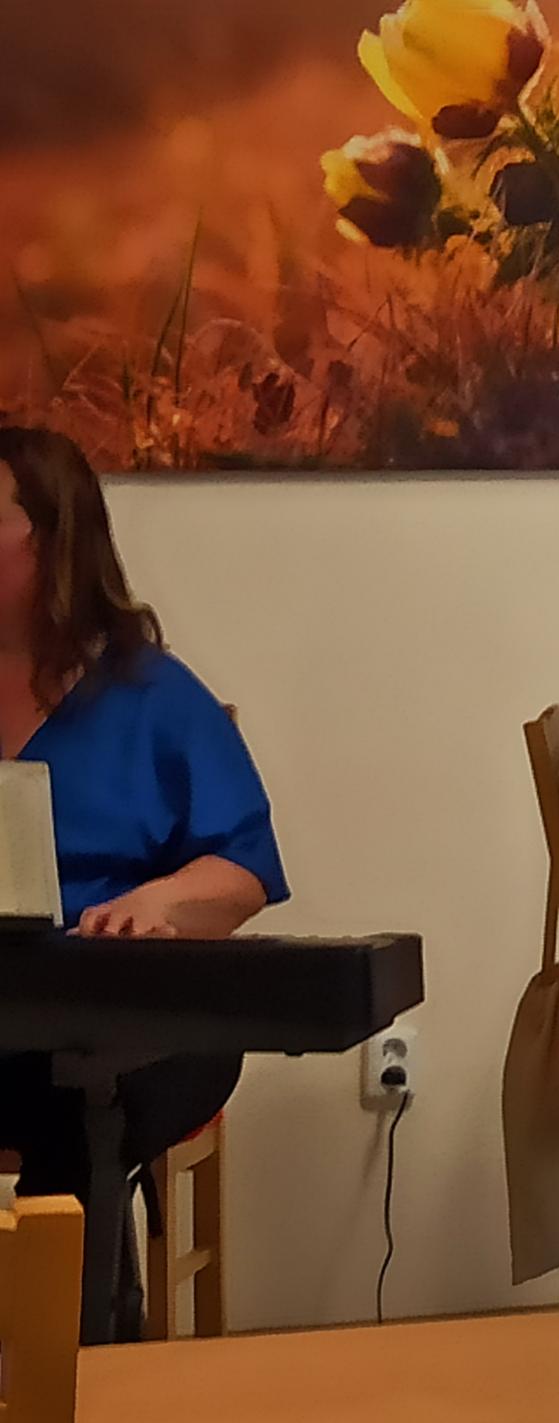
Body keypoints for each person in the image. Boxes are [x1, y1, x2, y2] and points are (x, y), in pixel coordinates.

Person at [0, 425, 289, 1335]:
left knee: (75, 1107)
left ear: (51, 538)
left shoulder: (152, 694)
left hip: (138, 1023)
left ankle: (81, 1371)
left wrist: (154, 903)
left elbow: (243, 871)